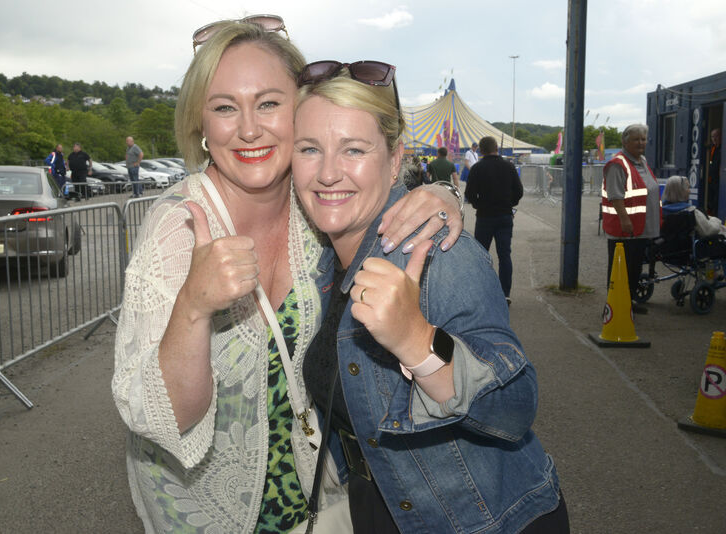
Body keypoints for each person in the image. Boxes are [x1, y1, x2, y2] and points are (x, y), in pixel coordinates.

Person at [111, 19, 463, 534]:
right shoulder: (177, 227)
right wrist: (192, 305)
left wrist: (446, 197)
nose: (249, 128)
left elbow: (380, 193)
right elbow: (166, 418)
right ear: (201, 126)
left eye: (270, 103)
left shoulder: (312, 205)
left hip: (313, 493)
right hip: (205, 509)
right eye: (225, 107)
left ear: (301, 111)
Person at [292, 60, 567, 534]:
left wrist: (419, 344)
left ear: (395, 159)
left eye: (354, 149)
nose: (329, 172)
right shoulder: (320, 261)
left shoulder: (437, 250)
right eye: (310, 149)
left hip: (484, 521)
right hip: (380, 507)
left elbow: (517, 407)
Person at [601, 124, 661, 313]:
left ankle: (629, 301)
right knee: (620, 268)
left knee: (634, 268)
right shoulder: (618, 164)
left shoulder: (641, 161)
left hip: (641, 227)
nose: (641, 143)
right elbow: (615, 195)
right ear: (625, 141)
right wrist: (625, 220)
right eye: (636, 139)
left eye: (643, 139)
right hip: (625, 229)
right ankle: (614, 307)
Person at [464, 135, 523, 304]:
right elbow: (519, 191)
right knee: (505, 255)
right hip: (504, 216)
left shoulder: (477, 168)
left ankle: (483, 291)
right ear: (496, 147)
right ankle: (505, 293)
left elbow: (469, 194)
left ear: (481, 150)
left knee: (481, 255)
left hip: (484, 217)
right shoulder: (509, 166)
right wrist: (509, 203)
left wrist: (478, 204)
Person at [707, 128, 722, 216]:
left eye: (716, 136)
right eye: (712, 137)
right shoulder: (711, 149)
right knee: (710, 201)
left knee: (717, 202)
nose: (714, 139)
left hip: (719, 181)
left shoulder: (722, 149)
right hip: (711, 180)